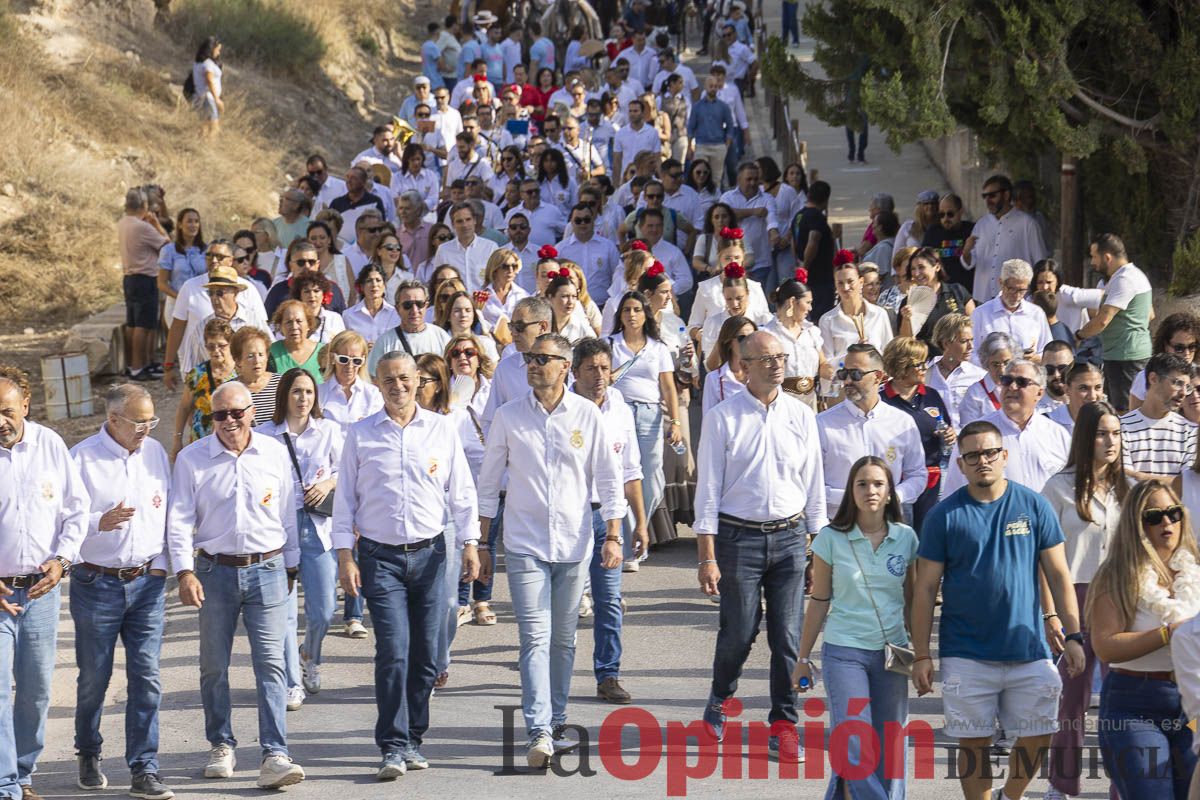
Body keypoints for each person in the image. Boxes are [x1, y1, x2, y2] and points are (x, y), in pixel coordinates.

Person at [911, 419, 1086, 800]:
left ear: (1004, 456)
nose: (982, 461)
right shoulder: (944, 515)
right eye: (971, 455)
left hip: (1028, 647)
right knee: (974, 744)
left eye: (989, 452)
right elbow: (924, 590)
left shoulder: (1034, 505)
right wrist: (922, 654)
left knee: (1040, 730)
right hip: (965, 651)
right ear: (961, 464)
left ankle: (1011, 795)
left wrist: (1072, 634)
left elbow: (1059, 575)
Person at [476, 333, 625, 767]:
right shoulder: (507, 416)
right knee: (534, 638)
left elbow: (609, 479)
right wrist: (482, 543)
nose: (535, 365)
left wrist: (613, 534)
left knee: (563, 640)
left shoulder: (586, 415)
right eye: (530, 358)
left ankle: (557, 720)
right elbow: (489, 486)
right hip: (524, 544)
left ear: (565, 366)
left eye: (545, 358)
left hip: (574, 543)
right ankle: (538, 729)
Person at [333, 350, 479, 776]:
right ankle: (392, 745)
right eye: (388, 380)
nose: (397, 386)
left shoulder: (441, 430)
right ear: (377, 385)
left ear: (419, 380)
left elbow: (462, 492)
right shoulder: (360, 435)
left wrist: (470, 544)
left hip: (433, 555)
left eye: (404, 378)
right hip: (381, 559)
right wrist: (345, 556)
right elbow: (345, 503)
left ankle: (415, 736)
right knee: (393, 652)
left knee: (428, 656)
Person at [166, 381, 305, 789]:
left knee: (271, 665)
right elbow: (178, 520)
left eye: (236, 413)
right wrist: (183, 572)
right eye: (219, 415)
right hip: (214, 572)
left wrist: (292, 565)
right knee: (214, 665)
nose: (229, 422)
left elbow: (287, 514)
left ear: (252, 413)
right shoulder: (192, 459)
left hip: (268, 569)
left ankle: (275, 753)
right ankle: (221, 744)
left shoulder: (275, 453)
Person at [694, 331, 826, 758]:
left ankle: (784, 724)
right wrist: (706, 556)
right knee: (739, 631)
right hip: (738, 538)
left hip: (789, 538)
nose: (775, 364)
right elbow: (708, 491)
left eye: (780, 357)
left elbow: (814, 484)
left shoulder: (801, 415)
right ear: (743, 365)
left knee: (788, 636)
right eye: (765, 358)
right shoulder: (722, 417)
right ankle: (719, 699)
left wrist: (817, 549)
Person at [69, 385, 172, 798]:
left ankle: (144, 767)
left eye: (152, 420)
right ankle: (88, 749)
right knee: (95, 677)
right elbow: (65, 520)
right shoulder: (81, 459)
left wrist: (163, 566)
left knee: (146, 677)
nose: (147, 428)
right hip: (96, 582)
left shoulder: (155, 454)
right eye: (139, 421)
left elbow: (169, 512)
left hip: (147, 583)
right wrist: (100, 521)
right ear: (113, 420)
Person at [793, 456, 917, 798]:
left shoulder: (906, 538)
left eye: (878, 484)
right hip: (845, 651)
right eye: (861, 484)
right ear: (851, 492)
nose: (870, 490)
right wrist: (802, 658)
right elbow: (819, 601)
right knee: (855, 742)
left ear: (890, 493)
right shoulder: (831, 538)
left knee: (890, 745)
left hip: (894, 653)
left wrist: (921, 655)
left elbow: (914, 603)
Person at [0, 365, 88, 800]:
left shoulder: (51, 446)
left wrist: (62, 560)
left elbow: (76, 509)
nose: (0, 420)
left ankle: (22, 771)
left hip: (40, 590)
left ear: (25, 407)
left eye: (6, 411)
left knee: (35, 689)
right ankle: (4, 785)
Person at [1088, 479, 1200, 799]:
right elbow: (1105, 646)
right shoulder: (1118, 574)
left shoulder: (1196, 569)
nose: (1167, 522)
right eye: (1154, 516)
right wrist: (1169, 633)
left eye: (1173, 513)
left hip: (1191, 700)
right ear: (1138, 525)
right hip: (1134, 703)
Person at [1041, 401, 1127, 800]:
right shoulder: (1058, 487)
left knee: (1121, 700)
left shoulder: (1130, 487)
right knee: (1070, 701)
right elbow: (1042, 560)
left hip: (1123, 601)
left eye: (1116, 433)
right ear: (1084, 437)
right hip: (1073, 597)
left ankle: (1122, 786)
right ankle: (1062, 784)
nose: (1111, 441)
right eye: (1101, 433)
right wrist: (1052, 613)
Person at [571, 338, 650, 702]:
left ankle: (608, 674)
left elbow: (631, 469)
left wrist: (641, 521)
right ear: (575, 372)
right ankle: (553, 671)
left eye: (605, 368)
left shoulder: (620, 407)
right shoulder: (564, 408)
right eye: (591, 369)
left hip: (610, 517)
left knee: (609, 599)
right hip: (570, 516)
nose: (600, 376)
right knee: (564, 602)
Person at [258, 369, 342, 711]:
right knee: (286, 614)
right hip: (280, 528)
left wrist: (328, 484)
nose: (303, 398)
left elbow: (349, 470)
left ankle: (311, 654)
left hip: (319, 527)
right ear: (284, 396)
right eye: (296, 391)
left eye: (308, 391)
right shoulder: (265, 435)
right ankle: (292, 682)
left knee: (323, 610)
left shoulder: (330, 431)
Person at [610, 290, 683, 556]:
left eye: (637, 310)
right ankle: (628, 550)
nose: (631, 315)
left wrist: (675, 422)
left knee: (652, 478)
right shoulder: (609, 343)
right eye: (627, 310)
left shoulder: (658, 347)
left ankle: (629, 535)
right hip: (618, 411)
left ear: (645, 314)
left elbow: (668, 388)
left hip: (650, 415)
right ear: (620, 314)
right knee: (621, 476)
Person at [816, 344, 927, 518]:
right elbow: (812, 482)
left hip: (890, 522)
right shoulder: (822, 424)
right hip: (840, 524)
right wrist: (851, 497)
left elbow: (917, 474)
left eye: (856, 374)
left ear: (878, 377)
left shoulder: (902, 422)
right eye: (844, 374)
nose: (848, 381)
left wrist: (893, 496)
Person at [943, 360, 1072, 494]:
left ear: (1039, 393)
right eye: (1007, 380)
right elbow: (953, 490)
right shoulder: (974, 435)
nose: (1012, 387)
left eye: (1021, 382)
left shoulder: (1057, 435)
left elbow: (1070, 489)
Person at [881, 337, 954, 530]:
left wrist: (949, 436)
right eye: (919, 364)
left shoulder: (931, 395)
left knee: (928, 537)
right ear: (901, 366)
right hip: (898, 483)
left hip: (932, 482)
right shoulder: (882, 400)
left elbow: (946, 425)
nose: (924, 368)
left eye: (925, 362)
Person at [1075, 233, 1154, 410]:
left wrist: (1079, 335)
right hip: (1124, 355)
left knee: (1125, 412)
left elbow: (1102, 320)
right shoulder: (1132, 276)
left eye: (1094, 256)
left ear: (1107, 257)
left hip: (1125, 358)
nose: (1092, 262)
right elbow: (1150, 315)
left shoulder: (1124, 279)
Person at [961, 173, 1049, 302]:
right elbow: (970, 262)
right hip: (983, 301)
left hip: (1017, 302)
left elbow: (1040, 263)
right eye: (985, 196)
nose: (988, 200)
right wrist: (966, 252)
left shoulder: (1027, 224)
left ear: (1006, 195)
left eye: (992, 195)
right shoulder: (981, 224)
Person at [1121, 352, 1198, 483]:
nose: (1184, 393)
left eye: (1187, 387)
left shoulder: (1190, 431)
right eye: (1177, 383)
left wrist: (1141, 477)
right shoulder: (1120, 427)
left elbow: (1187, 484)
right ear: (1153, 379)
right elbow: (1124, 480)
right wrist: (1172, 481)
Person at [118, 189, 170, 380]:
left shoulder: (123, 223)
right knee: (144, 324)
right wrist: (156, 224)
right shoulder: (142, 227)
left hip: (129, 278)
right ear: (144, 206)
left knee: (133, 323)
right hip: (145, 278)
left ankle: (139, 364)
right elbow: (167, 245)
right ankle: (139, 366)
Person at [762, 270, 830, 411]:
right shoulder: (768, 334)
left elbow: (822, 363)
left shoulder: (811, 332)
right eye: (808, 302)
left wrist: (832, 369)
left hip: (810, 403)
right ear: (792, 302)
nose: (810, 308)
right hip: (780, 405)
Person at [971, 258, 1054, 363]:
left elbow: (1048, 351)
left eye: (1022, 290)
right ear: (1001, 283)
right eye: (1012, 289)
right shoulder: (981, 314)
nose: (1017, 295)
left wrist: (1034, 358)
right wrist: (994, 363)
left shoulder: (1036, 313)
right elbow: (971, 353)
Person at [173, 318, 235, 457]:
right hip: (201, 444)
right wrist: (177, 440)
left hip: (233, 443)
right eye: (211, 346)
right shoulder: (197, 374)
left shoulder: (241, 372)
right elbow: (184, 408)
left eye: (222, 346)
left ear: (231, 344)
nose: (216, 351)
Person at [818, 257, 894, 366]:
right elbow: (827, 363)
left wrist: (872, 354)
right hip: (844, 381)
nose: (845, 287)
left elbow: (889, 354)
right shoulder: (827, 320)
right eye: (840, 283)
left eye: (850, 281)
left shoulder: (879, 314)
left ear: (861, 281)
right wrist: (852, 355)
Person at [368, 280, 452, 375]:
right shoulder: (384, 342)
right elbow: (373, 377)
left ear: (426, 306)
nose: (414, 310)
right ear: (397, 308)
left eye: (420, 304)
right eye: (407, 305)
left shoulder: (441, 336)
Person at [899, 246, 975, 346]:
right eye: (913, 269)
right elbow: (906, 341)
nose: (917, 273)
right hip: (927, 359)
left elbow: (974, 323)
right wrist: (906, 319)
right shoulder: (909, 302)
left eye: (921, 267)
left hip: (960, 355)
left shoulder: (957, 291)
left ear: (937, 267)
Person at [1129, 312, 1200, 412]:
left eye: (1192, 346)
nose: (1187, 353)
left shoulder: (1198, 373)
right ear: (1166, 346)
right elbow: (1134, 417)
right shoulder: (1144, 378)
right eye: (1179, 348)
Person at [926, 313, 986, 428]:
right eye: (964, 341)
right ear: (946, 343)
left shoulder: (979, 376)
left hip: (968, 441)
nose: (971, 346)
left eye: (972, 340)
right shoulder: (925, 374)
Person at [157, 208, 207, 329]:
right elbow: (161, 283)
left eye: (196, 221)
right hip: (176, 304)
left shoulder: (205, 250)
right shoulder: (168, 250)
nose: (193, 225)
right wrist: (181, 297)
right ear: (180, 224)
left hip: (200, 303)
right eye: (189, 221)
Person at [793, 180, 835, 318]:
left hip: (806, 273)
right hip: (819, 277)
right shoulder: (817, 217)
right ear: (826, 199)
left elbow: (793, 242)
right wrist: (805, 267)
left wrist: (798, 264)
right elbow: (813, 241)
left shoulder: (798, 216)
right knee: (821, 316)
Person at [956, 330, 1015, 426]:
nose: (1002, 370)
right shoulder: (974, 393)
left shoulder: (1023, 386)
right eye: (995, 364)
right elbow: (968, 432)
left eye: (1007, 363)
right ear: (986, 364)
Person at [702, 315, 757, 414]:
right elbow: (708, 419)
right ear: (729, 342)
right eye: (741, 338)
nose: (748, 342)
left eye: (752, 337)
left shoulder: (763, 373)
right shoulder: (714, 379)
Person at [921, 192, 975, 289]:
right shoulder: (932, 232)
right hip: (941, 290)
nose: (946, 218)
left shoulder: (971, 230)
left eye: (950, 214)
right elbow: (924, 260)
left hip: (966, 290)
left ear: (960, 211)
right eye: (942, 215)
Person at [229, 327, 280, 424]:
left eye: (261, 354)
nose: (257, 361)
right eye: (250, 356)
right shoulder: (230, 390)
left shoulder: (281, 383)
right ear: (238, 360)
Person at [342, 264, 402, 345]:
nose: (374, 285)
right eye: (369, 281)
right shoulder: (348, 315)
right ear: (362, 287)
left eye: (378, 280)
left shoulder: (396, 314)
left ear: (384, 285)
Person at [268, 301, 324, 383]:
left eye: (299, 321)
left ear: (308, 324)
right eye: (289, 322)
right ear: (280, 327)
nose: (294, 327)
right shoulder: (271, 353)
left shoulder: (323, 352)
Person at [289, 272, 346, 346]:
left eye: (316, 291)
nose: (312, 295)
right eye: (307, 291)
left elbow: (342, 345)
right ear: (299, 295)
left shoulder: (334, 318)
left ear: (323, 294)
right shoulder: (292, 317)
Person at [191, 36, 224, 137]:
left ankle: (199, 147)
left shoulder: (198, 63)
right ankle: (210, 149)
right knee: (214, 128)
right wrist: (217, 99)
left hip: (200, 97)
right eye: (217, 50)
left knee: (204, 127)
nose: (218, 53)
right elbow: (209, 80)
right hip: (208, 98)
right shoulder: (208, 64)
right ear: (211, 49)